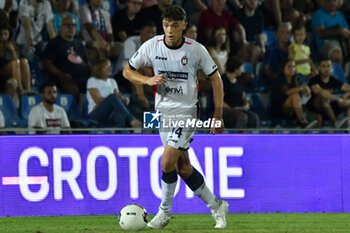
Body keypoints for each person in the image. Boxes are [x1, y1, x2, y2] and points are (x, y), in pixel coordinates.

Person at [123, 5, 228, 229]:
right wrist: (146, 80)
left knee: (166, 161)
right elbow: (127, 71)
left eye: (174, 25)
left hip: (187, 112)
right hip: (163, 115)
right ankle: (216, 205)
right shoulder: (152, 46)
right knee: (183, 168)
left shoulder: (195, 50)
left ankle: (163, 213)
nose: (169, 30)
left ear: (184, 26)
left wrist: (217, 114)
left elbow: (216, 78)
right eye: (166, 25)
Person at [43, 17, 90, 102]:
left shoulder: (79, 43)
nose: (70, 27)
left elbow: (86, 61)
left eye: (73, 25)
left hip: (83, 76)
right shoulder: (54, 43)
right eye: (67, 25)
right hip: (64, 78)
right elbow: (47, 63)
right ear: (61, 27)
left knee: (98, 84)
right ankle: (75, 114)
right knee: (72, 88)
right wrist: (61, 74)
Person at [87, 59, 142, 127]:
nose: (110, 68)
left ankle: (120, 130)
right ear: (99, 69)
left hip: (112, 112)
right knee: (112, 97)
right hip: (95, 113)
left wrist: (122, 98)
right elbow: (97, 100)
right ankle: (131, 119)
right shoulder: (92, 80)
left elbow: (118, 97)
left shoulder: (112, 81)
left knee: (124, 102)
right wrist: (112, 100)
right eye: (107, 67)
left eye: (110, 66)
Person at [270, 59, 315, 128]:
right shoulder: (278, 80)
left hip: (293, 111)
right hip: (280, 110)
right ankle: (302, 121)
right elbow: (286, 93)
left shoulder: (295, 81)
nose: (292, 69)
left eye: (294, 67)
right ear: (283, 68)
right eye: (289, 67)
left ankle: (304, 120)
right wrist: (301, 88)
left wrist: (307, 95)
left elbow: (300, 100)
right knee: (294, 95)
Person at [306, 58, 350, 128]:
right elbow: (320, 92)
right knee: (324, 99)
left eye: (328, 66)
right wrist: (337, 99)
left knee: (348, 101)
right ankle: (335, 122)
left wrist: (347, 94)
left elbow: (346, 87)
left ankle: (348, 126)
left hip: (329, 109)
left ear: (331, 67)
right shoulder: (314, 80)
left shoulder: (332, 80)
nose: (326, 69)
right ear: (319, 68)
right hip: (317, 109)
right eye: (323, 66)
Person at [222, 56, 259, 128]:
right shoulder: (222, 80)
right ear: (236, 69)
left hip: (238, 109)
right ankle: (238, 138)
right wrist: (232, 111)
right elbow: (220, 101)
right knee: (242, 117)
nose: (242, 70)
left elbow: (243, 96)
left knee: (254, 117)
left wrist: (246, 103)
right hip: (225, 111)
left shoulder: (239, 80)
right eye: (241, 68)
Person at [0, 25, 36, 96]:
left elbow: (16, 59)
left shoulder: (12, 44)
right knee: (14, 63)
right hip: (2, 70)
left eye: (5, 34)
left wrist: (12, 50)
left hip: (13, 68)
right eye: (1, 35)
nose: (3, 37)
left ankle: (28, 88)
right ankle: (20, 90)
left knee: (23, 61)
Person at [311, 0, 350, 64]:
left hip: (342, 42)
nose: (332, 3)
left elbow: (346, 32)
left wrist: (344, 33)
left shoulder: (340, 15)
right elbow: (320, 33)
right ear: (324, 2)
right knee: (336, 55)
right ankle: (338, 74)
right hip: (325, 43)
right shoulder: (318, 14)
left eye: (334, 1)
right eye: (329, 1)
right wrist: (339, 31)